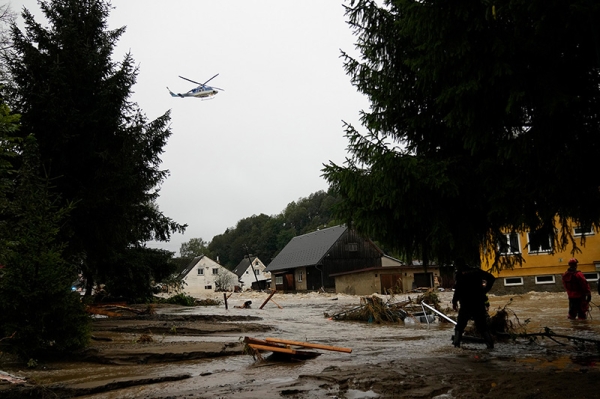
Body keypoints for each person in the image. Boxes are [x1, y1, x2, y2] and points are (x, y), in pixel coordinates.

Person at [452, 262, 496, 349]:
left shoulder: (460, 275)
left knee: (460, 326)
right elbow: (491, 278)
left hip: (466, 304)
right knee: (482, 325)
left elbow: (457, 290)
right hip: (478, 303)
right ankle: (490, 345)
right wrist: (484, 290)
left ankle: (456, 345)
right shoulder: (477, 272)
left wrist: (454, 302)